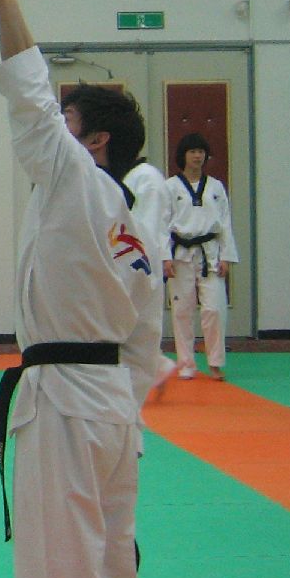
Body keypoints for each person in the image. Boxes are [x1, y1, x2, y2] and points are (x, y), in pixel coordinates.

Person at [0, 0, 162, 578]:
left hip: (63, 402)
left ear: (93, 143)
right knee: (111, 560)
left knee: (61, 566)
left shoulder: (73, 180)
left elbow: (26, 86)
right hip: (115, 409)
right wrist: (122, 409)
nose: (55, 131)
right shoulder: (133, 231)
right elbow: (145, 344)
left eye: (69, 125)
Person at [164, 133, 238, 380]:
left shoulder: (216, 187)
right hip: (180, 254)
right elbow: (161, 224)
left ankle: (215, 363)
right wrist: (164, 257)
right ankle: (186, 363)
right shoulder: (170, 187)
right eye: (192, 151)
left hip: (210, 253)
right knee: (182, 310)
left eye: (201, 152)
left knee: (214, 309)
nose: (197, 156)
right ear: (183, 155)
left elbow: (225, 223)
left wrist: (226, 256)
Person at [123, 154, 174, 400]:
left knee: (136, 325)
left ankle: (156, 368)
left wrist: (155, 259)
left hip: (142, 260)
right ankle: (158, 367)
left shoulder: (147, 178)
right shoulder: (132, 176)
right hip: (135, 256)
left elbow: (151, 225)